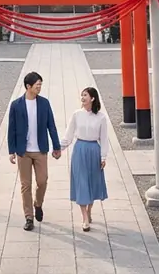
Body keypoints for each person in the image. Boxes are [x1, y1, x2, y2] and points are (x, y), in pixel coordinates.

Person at [6, 72, 62, 231]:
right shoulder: (16, 105)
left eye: (40, 84)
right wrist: (11, 151)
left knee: (42, 181)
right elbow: (12, 129)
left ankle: (38, 204)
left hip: (40, 150)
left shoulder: (44, 103)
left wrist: (56, 147)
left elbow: (51, 125)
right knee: (25, 185)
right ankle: (28, 217)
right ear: (28, 86)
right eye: (37, 85)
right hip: (23, 151)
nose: (39, 87)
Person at [61, 86, 110, 232]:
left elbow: (104, 139)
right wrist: (59, 148)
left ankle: (89, 210)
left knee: (92, 181)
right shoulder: (77, 114)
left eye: (85, 95)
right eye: (82, 95)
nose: (82, 98)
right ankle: (84, 218)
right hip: (80, 149)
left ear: (92, 98)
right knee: (81, 182)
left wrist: (103, 156)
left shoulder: (101, 117)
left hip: (94, 150)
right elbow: (68, 135)